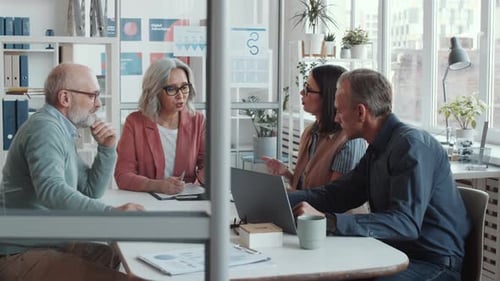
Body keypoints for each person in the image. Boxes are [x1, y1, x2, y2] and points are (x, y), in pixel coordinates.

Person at [289, 68, 471, 281]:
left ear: (360, 112)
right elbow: (337, 194)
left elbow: (405, 224)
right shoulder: (377, 148)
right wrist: (280, 198)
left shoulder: (411, 146)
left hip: (431, 264)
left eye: (339, 110)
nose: (336, 118)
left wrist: (329, 221)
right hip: (391, 254)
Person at [0, 63, 144, 280]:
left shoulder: (61, 129)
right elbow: (51, 190)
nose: (98, 104)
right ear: (65, 98)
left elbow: (89, 189)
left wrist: (106, 149)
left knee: (116, 257)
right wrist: (111, 214)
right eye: (93, 95)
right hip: (19, 252)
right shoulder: (46, 129)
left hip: (47, 242)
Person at [262, 64, 366, 189]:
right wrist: (286, 173)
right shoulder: (310, 132)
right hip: (306, 207)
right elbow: (306, 188)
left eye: (308, 89)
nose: (302, 92)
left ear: (328, 96)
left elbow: (335, 197)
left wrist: (289, 197)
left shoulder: (350, 140)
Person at [114, 58, 206, 194]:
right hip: (146, 201)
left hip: (185, 201)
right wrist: (158, 185)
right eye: (171, 89)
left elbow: (206, 165)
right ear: (155, 91)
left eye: (184, 87)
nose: (180, 95)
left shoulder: (198, 120)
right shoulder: (134, 122)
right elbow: (123, 176)